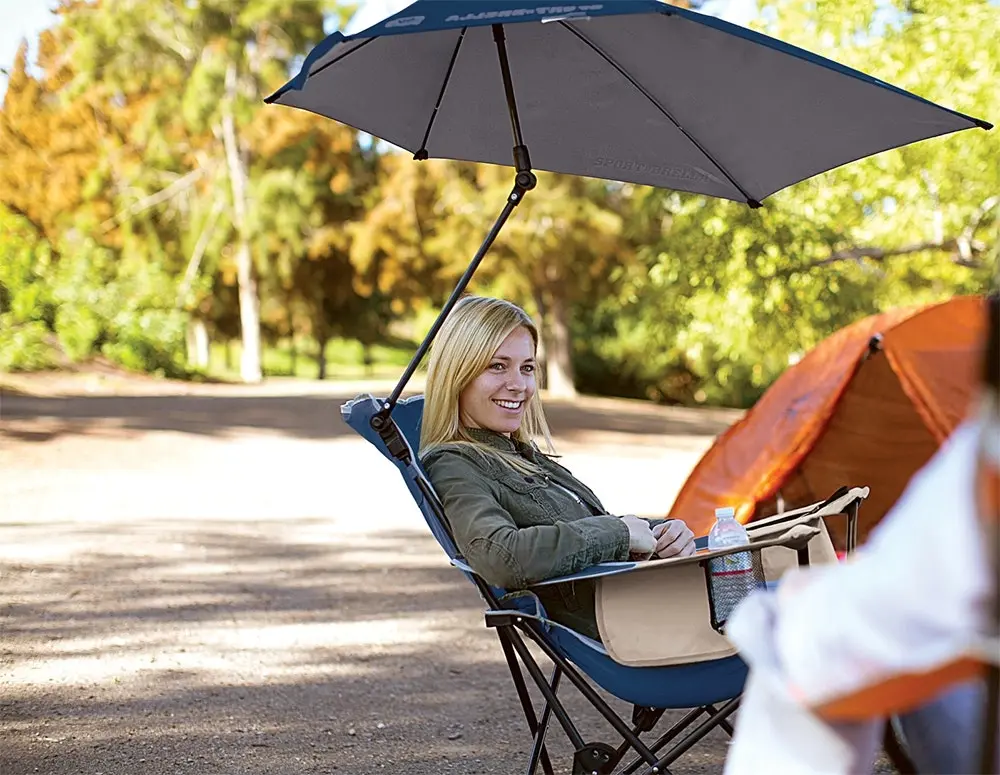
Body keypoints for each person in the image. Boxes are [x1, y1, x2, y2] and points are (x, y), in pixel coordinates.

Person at [419, 295, 696, 642]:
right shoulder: (455, 464)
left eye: (527, 367)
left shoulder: (522, 456)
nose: (519, 385)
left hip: (650, 603)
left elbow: (596, 530)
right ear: (457, 374)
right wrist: (619, 534)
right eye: (497, 366)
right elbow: (499, 555)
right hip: (632, 626)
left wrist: (662, 534)